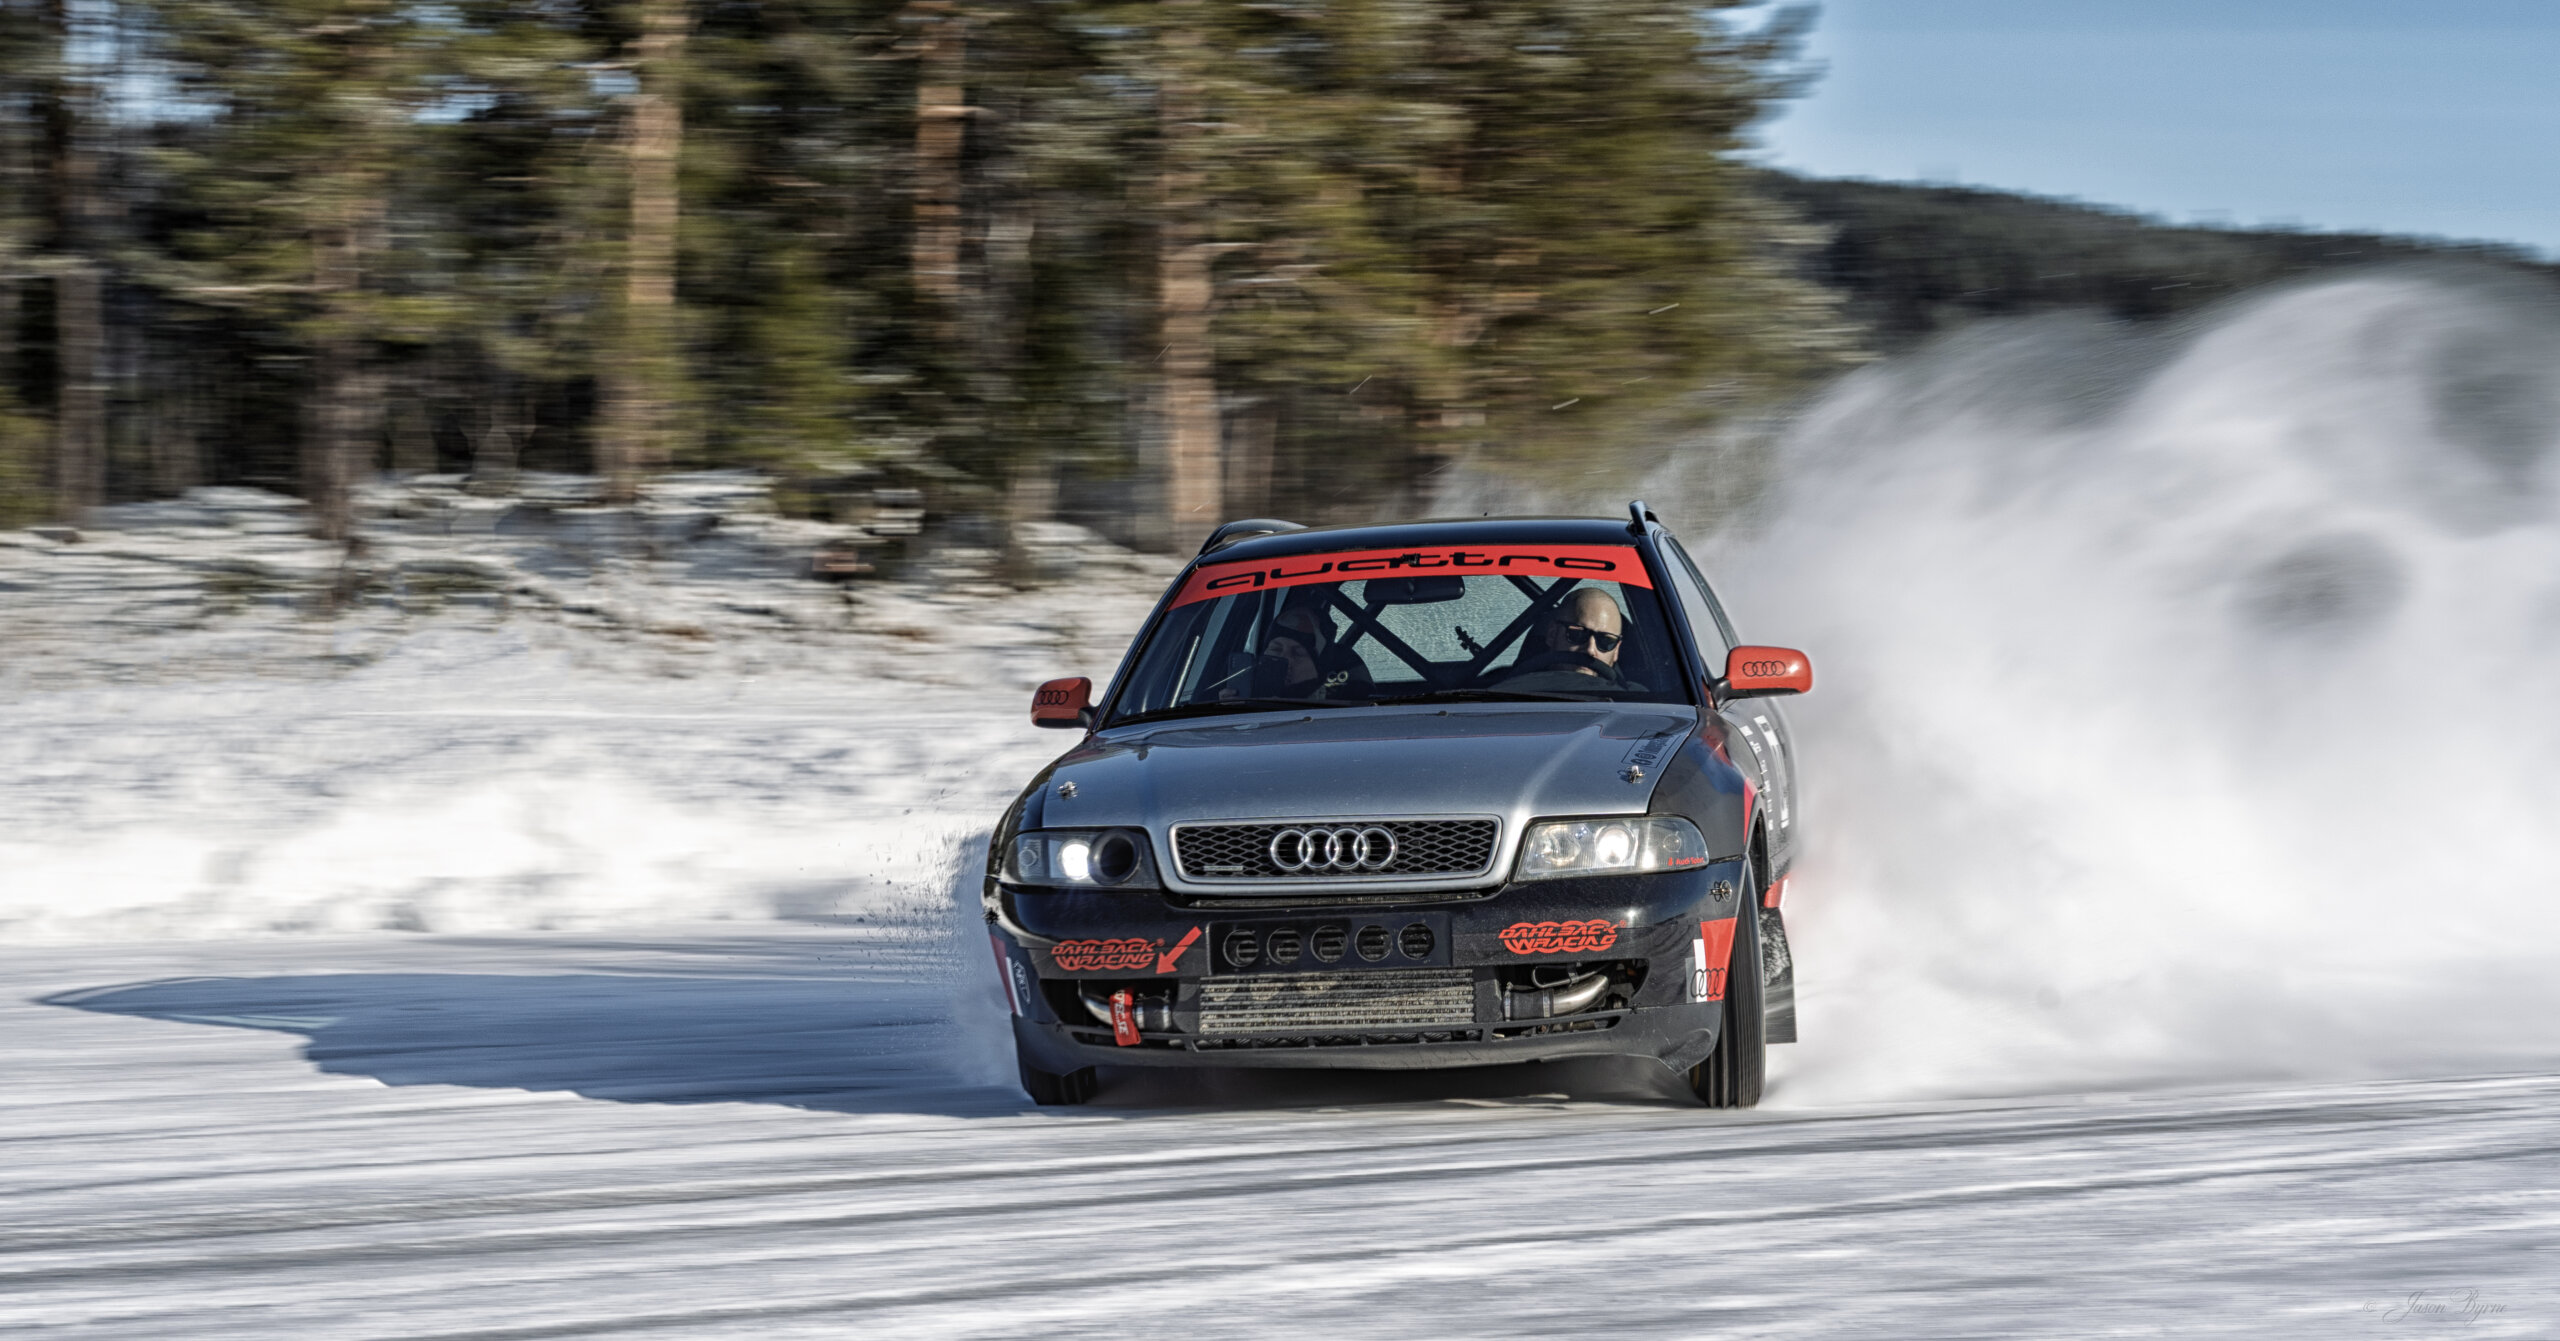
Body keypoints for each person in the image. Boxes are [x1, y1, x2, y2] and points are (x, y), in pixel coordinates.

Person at [1498, 586, 1646, 693]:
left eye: (1606, 641)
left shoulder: (1639, 703)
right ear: (1552, 634)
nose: (1590, 650)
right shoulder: (1499, 692)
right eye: (1577, 634)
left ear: (1616, 650)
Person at [1237, 594, 1372, 700]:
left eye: (1298, 653)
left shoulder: (1344, 708)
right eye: (1276, 650)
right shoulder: (1248, 695)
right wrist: (1232, 706)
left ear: (1320, 664)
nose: (1286, 659)